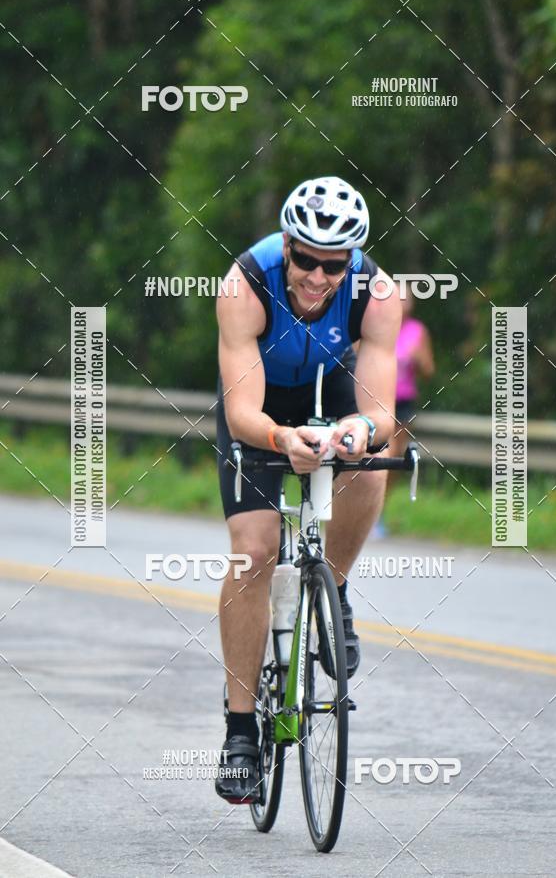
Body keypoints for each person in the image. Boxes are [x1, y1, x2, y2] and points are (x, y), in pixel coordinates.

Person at [214, 176, 401, 803]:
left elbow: (381, 409)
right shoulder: (246, 283)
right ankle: (241, 732)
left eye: (334, 264)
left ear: (351, 261)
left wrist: (359, 429)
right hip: (262, 403)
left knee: (380, 453)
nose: (318, 277)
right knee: (255, 550)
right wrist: (282, 440)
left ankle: (336, 591)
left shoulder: (376, 294)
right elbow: (243, 412)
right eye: (306, 260)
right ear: (287, 244)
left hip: (332, 384)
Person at [388, 286, 435, 458]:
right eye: (399, 298)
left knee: (397, 452)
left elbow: (428, 371)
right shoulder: (377, 325)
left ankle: (386, 486)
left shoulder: (417, 331)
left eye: (406, 299)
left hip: (403, 399)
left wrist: (419, 359)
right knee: (385, 448)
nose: (402, 303)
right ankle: (376, 483)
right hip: (377, 396)